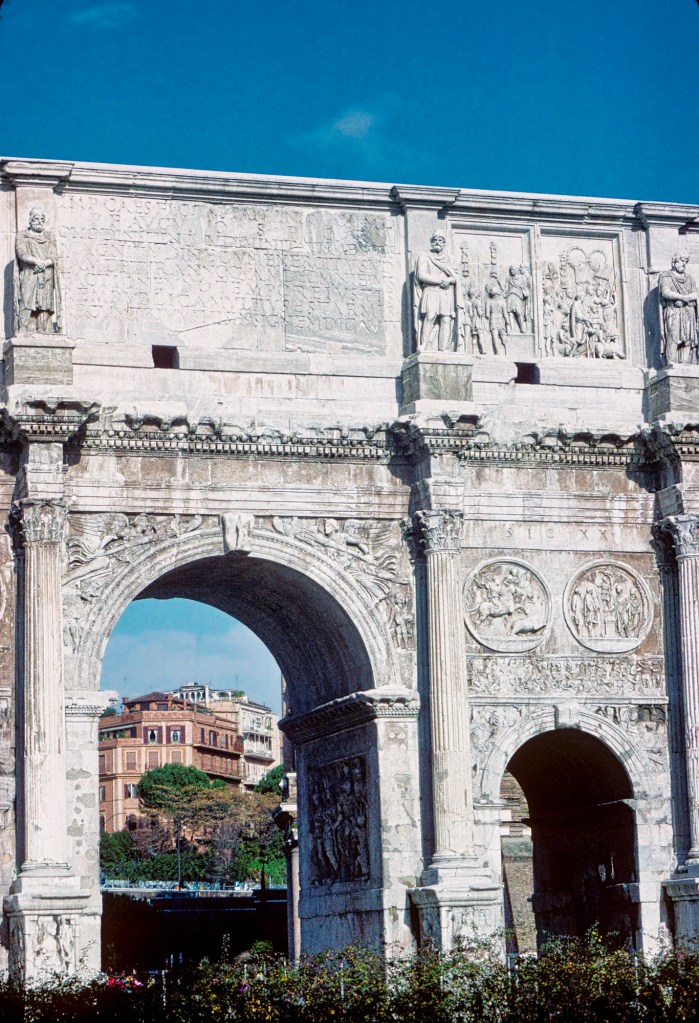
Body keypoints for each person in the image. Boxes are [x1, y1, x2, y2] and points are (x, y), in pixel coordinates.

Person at [15, 207, 62, 333]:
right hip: (30, 272)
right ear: (30, 220)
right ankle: (23, 327)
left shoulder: (49, 236)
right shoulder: (22, 235)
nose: (40, 221)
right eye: (36, 218)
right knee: (27, 299)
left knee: (45, 302)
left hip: (46, 273)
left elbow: (54, 256)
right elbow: (21, 254)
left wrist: (45, 263)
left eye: (42, 219)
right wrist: (37, 261)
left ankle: (42, 328)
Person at [413, 232, 459, 351]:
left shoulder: (450, 259)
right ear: (431, 242)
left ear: (444, 243)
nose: (437, 242)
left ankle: (444, 348)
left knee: (446, 319)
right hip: (431, 290)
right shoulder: (424, 257)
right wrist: (440, 281)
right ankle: (424, 345)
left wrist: (449, 280)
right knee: (430, 316)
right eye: (435, 240)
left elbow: (457, 277)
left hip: (446, 292)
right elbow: (421, 275)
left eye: (440, 240)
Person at [659, 253, 698, 365]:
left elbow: (695, 293)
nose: (684, 264)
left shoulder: (690, 278)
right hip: (674, 311)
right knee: (673, 336)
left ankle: (685, 363)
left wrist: (685, 299)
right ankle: (671, 362)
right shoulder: (666, 276)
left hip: (688, 311)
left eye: (685, 261)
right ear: (674, 262)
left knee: (688, 340)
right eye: (681, 260)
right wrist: (682, 297)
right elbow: (665, 292)